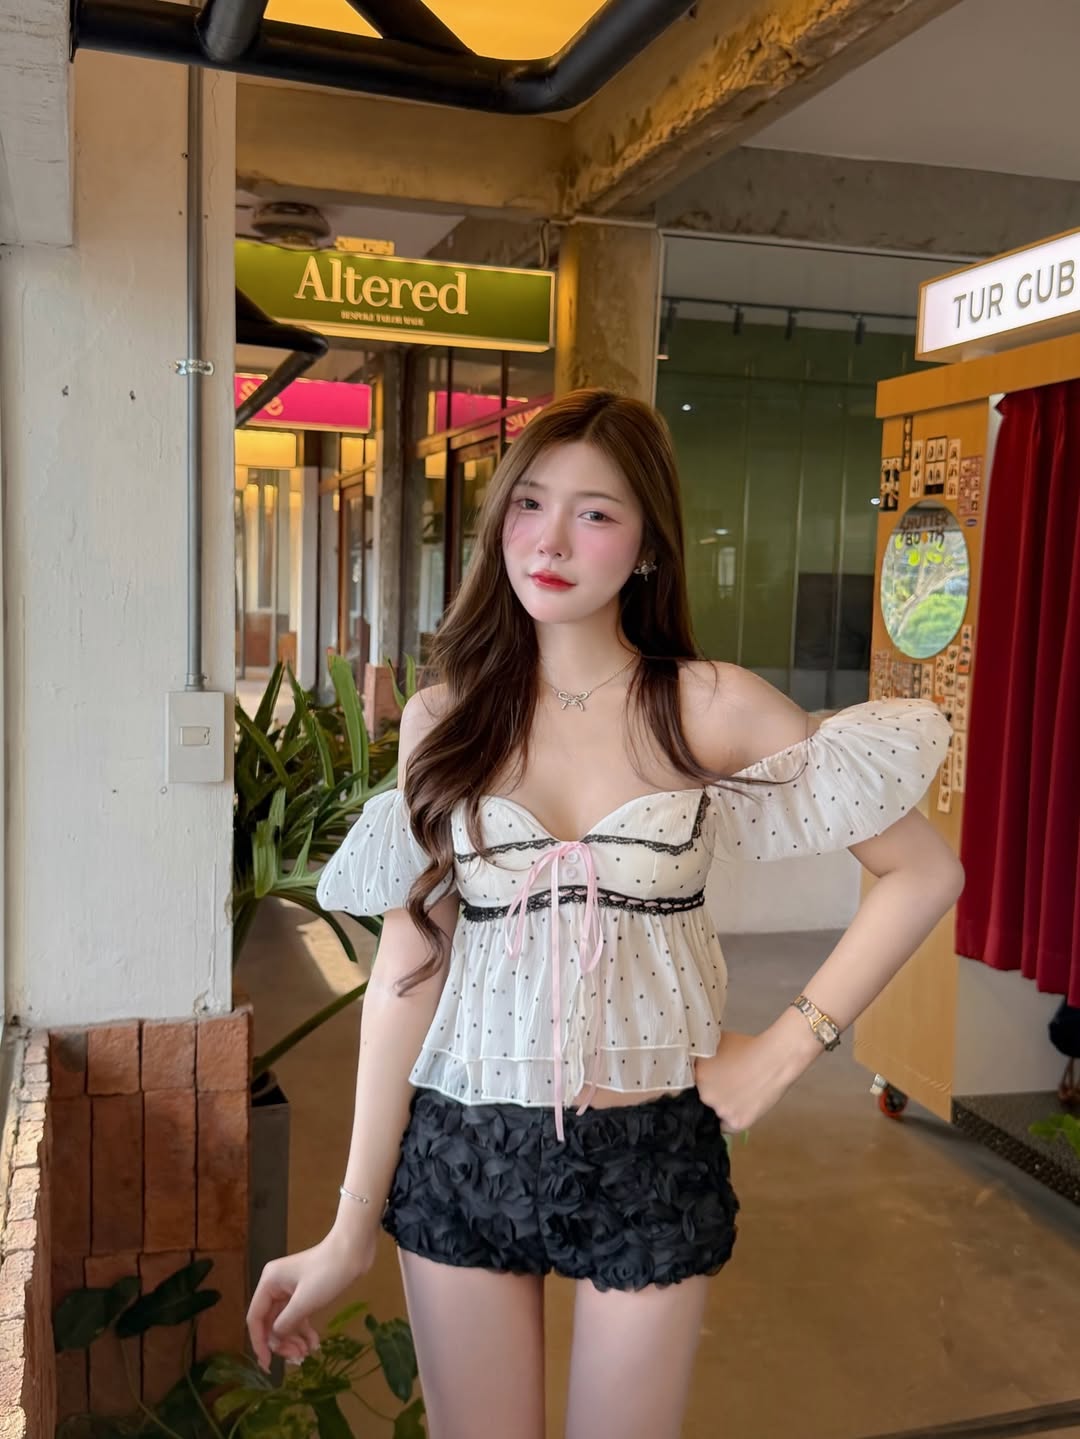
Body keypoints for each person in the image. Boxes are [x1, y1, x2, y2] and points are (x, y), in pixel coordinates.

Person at [246, 389, 963, 1439]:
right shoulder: (449, 714)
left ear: (648, 546)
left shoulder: (709, 705)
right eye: (530, 503)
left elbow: (923, 871)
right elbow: (410, 957)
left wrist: (782, 1051)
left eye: (595, 513)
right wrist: (350, 1225)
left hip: (648, 1151)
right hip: (465, 1140)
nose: (550, 540)